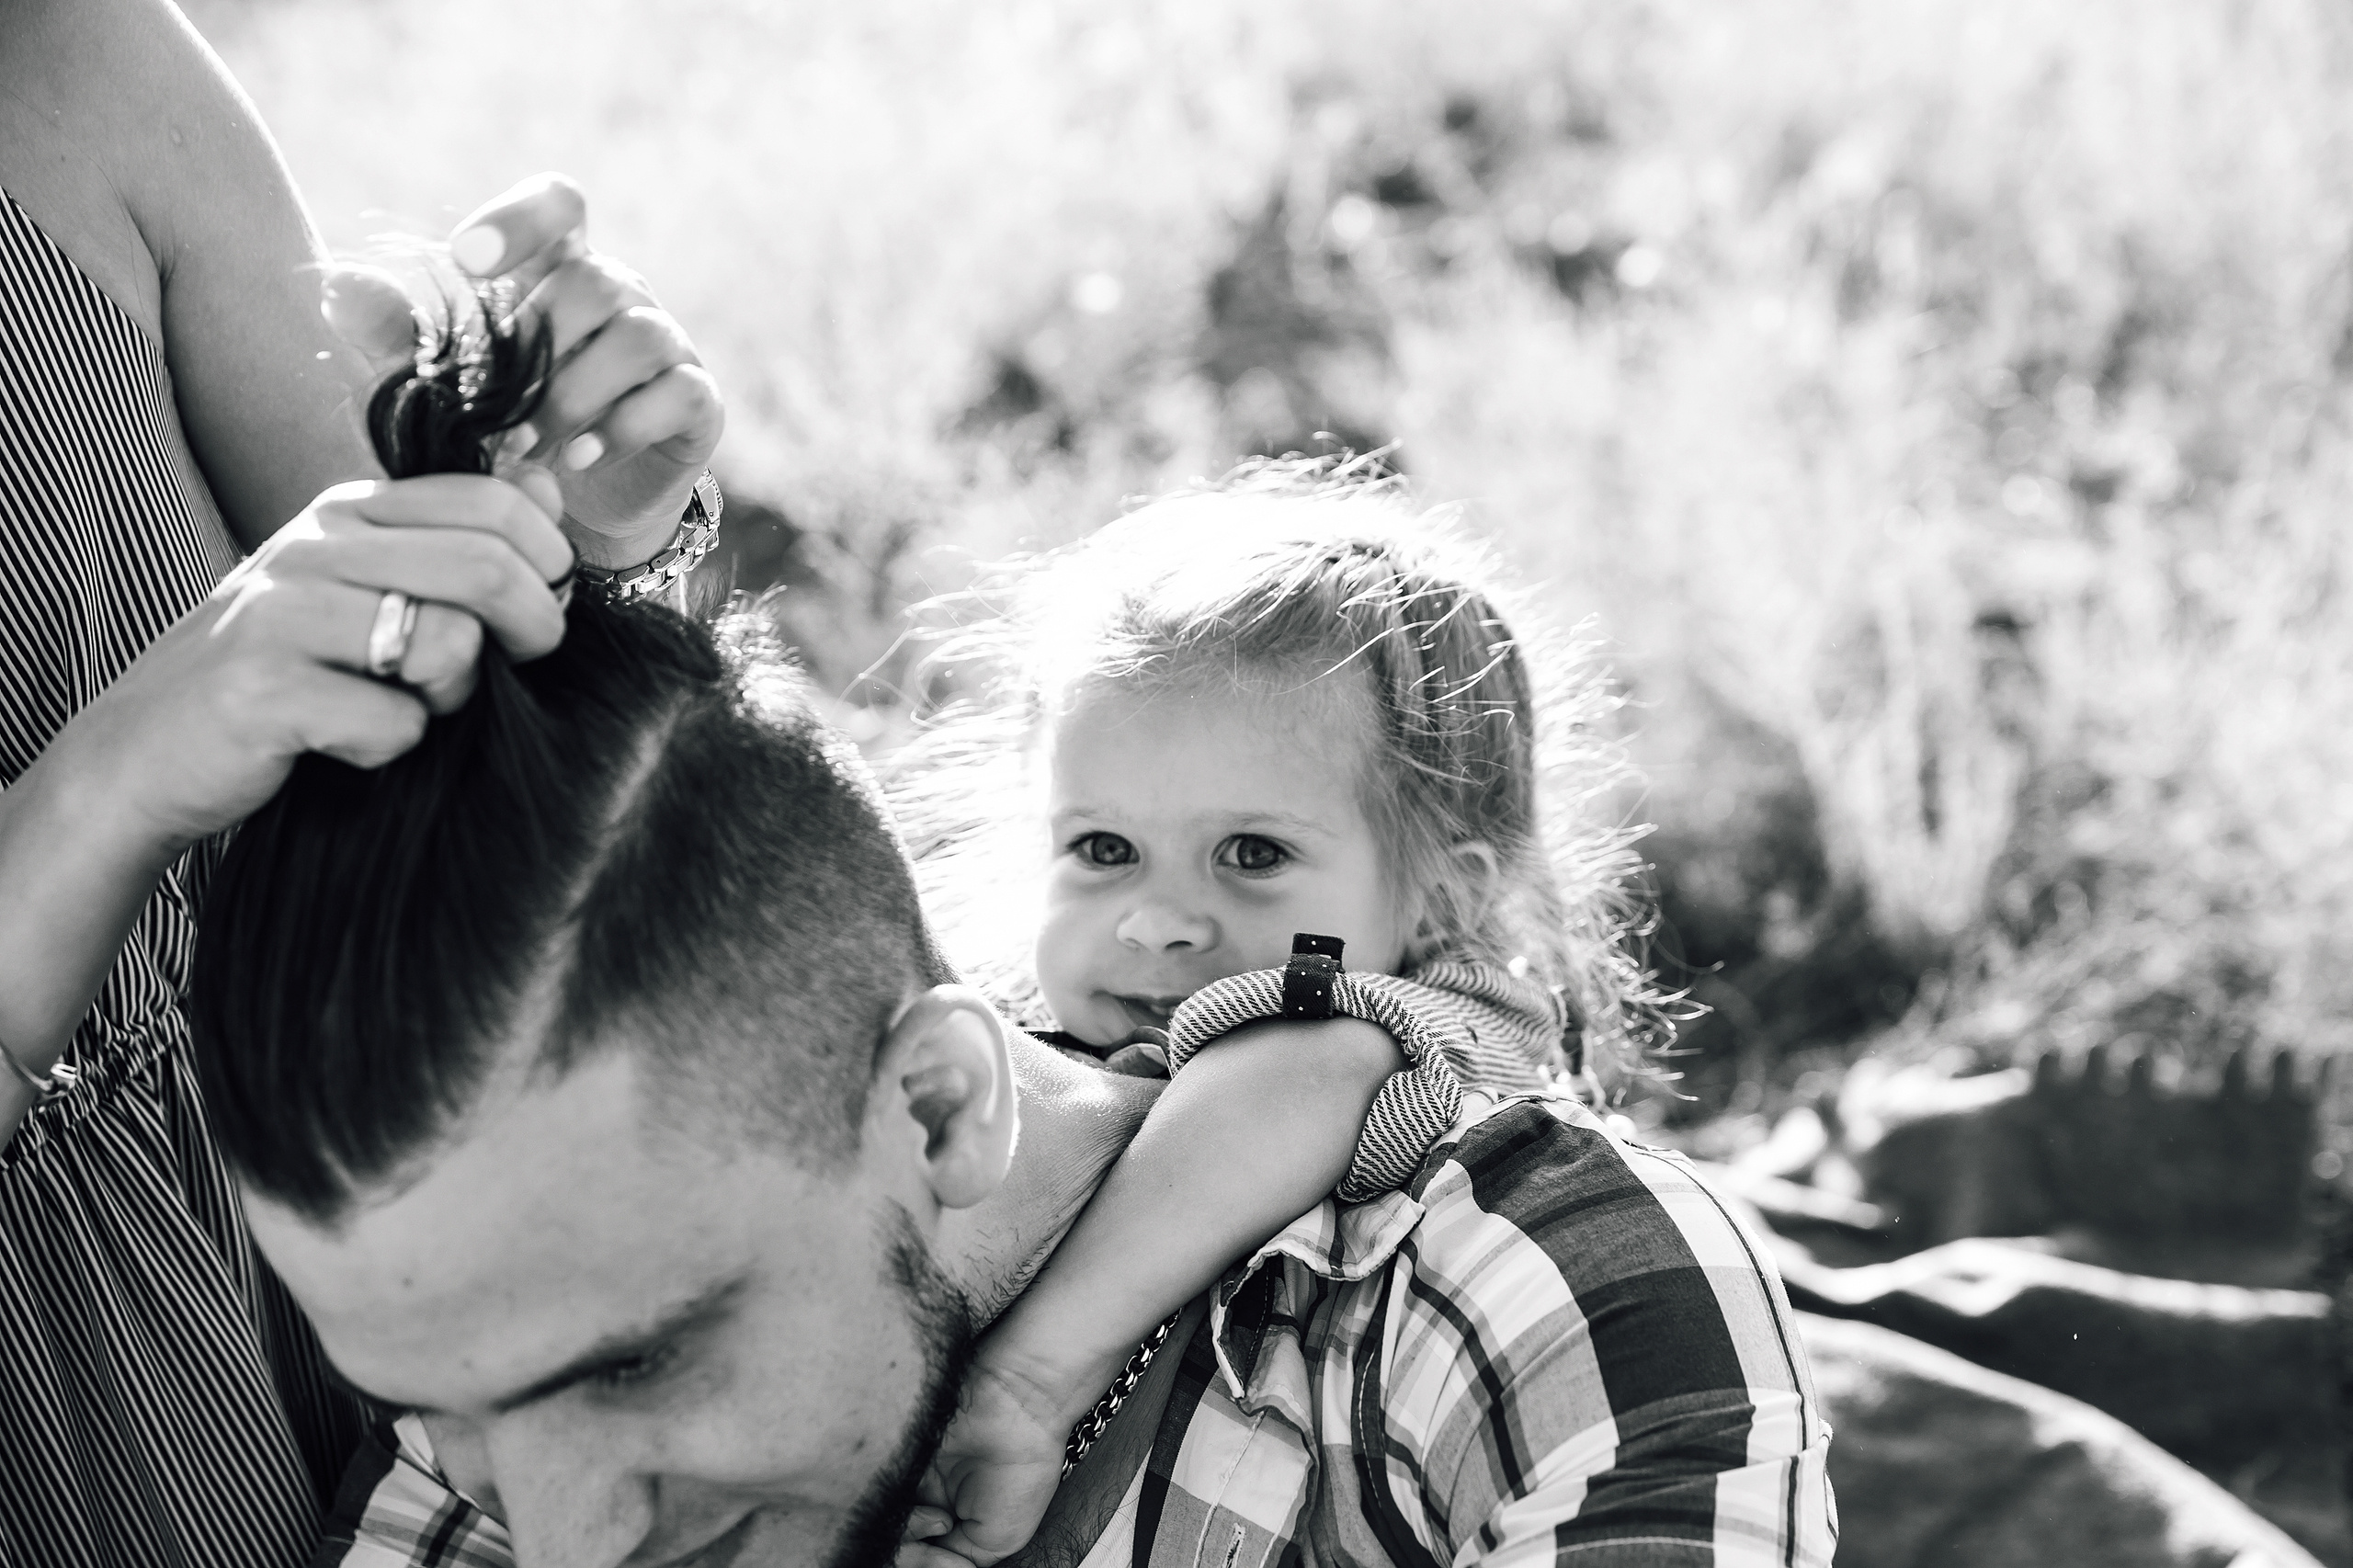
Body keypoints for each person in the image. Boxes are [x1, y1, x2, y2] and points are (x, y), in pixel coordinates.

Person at [190, 593, 1839, 1565]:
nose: (555, 1543)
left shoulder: (1529, 1281)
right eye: (440, 1416)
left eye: (638, 1366)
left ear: (938, 1107)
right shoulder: (495, 1333)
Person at [0, 0, 722, 1560]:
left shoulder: (68, 59)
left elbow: (454, 674)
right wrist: (104, 788)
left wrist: (567, 528)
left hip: (402, 1214)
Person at [878, 467, 1687, 1562]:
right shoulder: (1018, 1052)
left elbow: (1312, 1060)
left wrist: (1027, 1381)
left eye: (1252, 854)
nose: (1156, 920)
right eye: (1101, 848)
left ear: (1442, 896)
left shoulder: (1431, 1025)